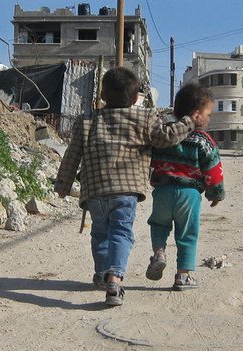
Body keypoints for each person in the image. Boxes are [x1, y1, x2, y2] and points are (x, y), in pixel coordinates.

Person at [54, 67, 203, 307]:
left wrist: (63, 183)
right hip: (126, 191)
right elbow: (166, 136)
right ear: (135, 98)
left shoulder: (87, 121)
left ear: (103, 95)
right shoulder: (144, 118)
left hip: (95, 190)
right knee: (121, 233)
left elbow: (73, 154)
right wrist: (188, 122)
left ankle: (103, 274)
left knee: (100, 234)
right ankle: (115, 279)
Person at [146, 83, 224, 291]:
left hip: (162, 192)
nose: (209, 118)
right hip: (189, 195)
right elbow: (213, 169)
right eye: (208, 114)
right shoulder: (203, 140)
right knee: (187, 233)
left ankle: (159, 253)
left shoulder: (164, 136)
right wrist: (216, 194)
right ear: (197, 115)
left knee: (159, 225)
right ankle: (183, 276)